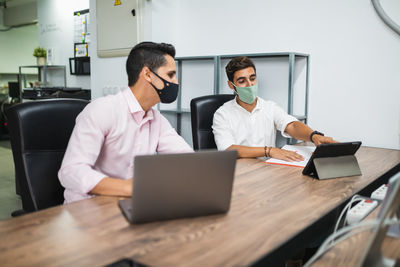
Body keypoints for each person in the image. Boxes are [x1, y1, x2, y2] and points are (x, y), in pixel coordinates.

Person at [59, 42, 193, 203]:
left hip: (130, 203)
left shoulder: (156, 119)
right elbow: (71, 171)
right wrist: (131, 188)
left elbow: (187, 160)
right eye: (171, 75)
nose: (176, 82)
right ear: (148, 74)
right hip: (86, 208)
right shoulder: (102, 110)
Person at [212, 56, 336, 160]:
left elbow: (291, 125)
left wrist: (314, 136)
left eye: (252, 78)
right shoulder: (222, 114)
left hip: (268, 170)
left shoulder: (269, 107)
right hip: (240, 173)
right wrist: (268, 151)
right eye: (242, 81)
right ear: (231, 85)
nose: (250, 84)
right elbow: (228, 149)